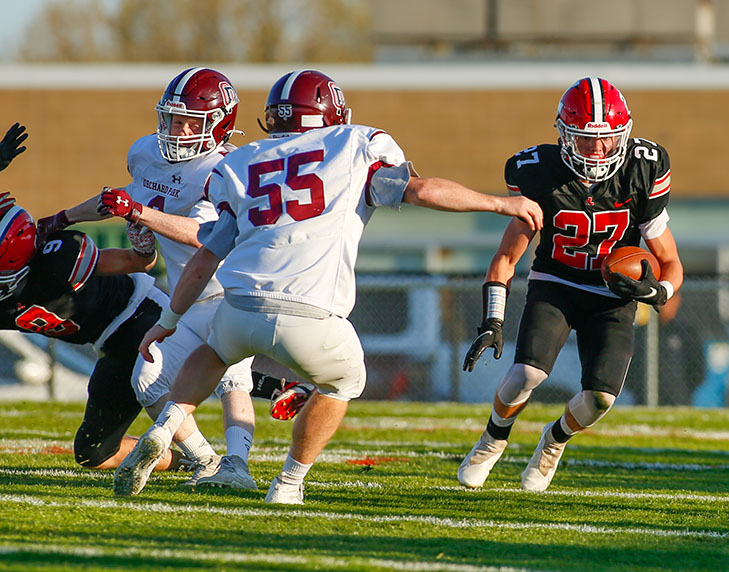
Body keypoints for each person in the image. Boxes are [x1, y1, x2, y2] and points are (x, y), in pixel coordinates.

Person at [115, 69, 543, 504]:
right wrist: (498, 203)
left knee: (213, 353)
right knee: (343, 380)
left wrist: (169, 319)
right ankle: (287, 484)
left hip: (240, 303)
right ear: (333, 115)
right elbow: (420, 190)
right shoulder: (352, 145)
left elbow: (206, 253)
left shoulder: (241, 162)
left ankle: (166, 426)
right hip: (310, 311)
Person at [38, 68, 301, 492]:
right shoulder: (146, 154)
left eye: (190, 123)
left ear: (219, 124)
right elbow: (117, 198)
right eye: (172, 119)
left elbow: (202, 235)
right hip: (187, 297)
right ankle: (206, 460)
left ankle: (238, 463)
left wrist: (140, 214)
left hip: (235, 291)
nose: (177, 130)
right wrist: (61, 218)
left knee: (233, 377)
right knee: (147, 378)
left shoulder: (226, 169)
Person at [457, 77, 684, 492]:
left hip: (613, 295)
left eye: (607, 141)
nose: (597, 152)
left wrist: (659, 293)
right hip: (556, 281)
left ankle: (553, 441)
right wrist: (493, 320)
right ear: (563, 136)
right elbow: (507, 258)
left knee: (601, 398)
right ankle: (493, 438)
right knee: (526, 373)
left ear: (624, 135)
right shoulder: (539, 174)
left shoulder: (643, 169)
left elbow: (670, 262)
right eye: (584, 141)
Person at [1, 193, 190, 473]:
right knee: (95, 453)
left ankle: (210, 455)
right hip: (112, 346)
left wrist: (144, 247)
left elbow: (137, 263)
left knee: (197, 373)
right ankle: (184, 463)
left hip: (141, 314)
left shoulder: (58, 260)